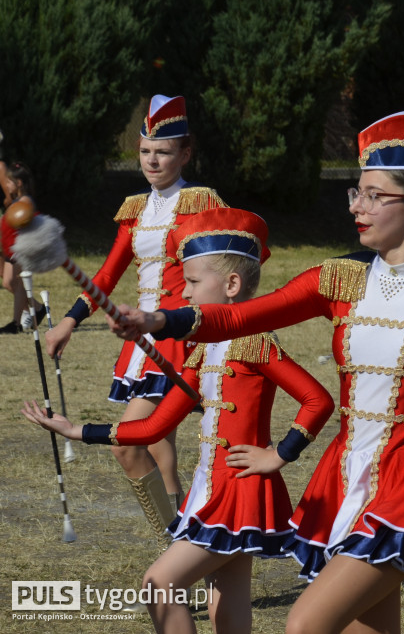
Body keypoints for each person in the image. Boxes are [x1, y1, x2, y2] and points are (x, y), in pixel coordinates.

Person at [108, 111, 404, 634]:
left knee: (305, 625)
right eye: (355, 194)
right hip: (342, 473)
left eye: (372, 196)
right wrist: (160, 319)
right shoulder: (338, 276)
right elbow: (240, 316)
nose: (356, 207)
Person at [23, 208, 335, 633]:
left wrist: (277, 455)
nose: (183, 294)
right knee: (226, 614)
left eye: (191, 282)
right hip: (209, 490)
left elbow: (318, 400)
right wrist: (76, 429)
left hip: (237, 492)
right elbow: (154, 427)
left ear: (231, 285)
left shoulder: (255, 342)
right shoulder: (203, 348)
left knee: (158, 584)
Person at [44, 95, 228, 542]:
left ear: (185, 154)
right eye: (145, 151)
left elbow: (226, 270)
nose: (152, 160)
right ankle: (188, 550)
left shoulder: (199, 202)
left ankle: (180, 547)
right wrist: (69, 320)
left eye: (163, 151)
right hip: (142, 343)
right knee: (162, 456)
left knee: (130, 448)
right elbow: (107, 275)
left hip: (179, 333)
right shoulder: (135, 209)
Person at [0, 161, 44, 333]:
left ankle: (15, 324)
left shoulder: (25, 202)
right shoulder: (17, 200)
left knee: (18, 285)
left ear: (18, 183)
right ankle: (38, 308)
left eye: (9, 182)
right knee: (9, 283)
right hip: (12, 249)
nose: (7, 185)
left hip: (23, 249)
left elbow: (28, 225)